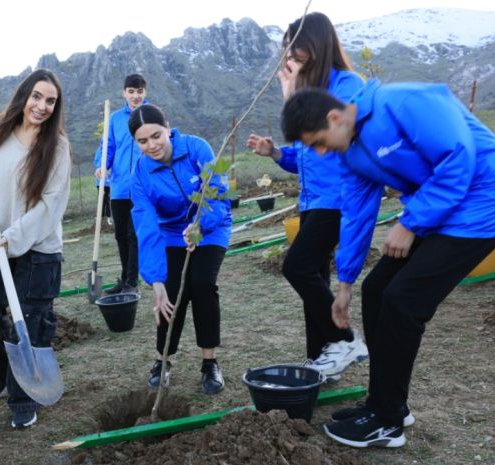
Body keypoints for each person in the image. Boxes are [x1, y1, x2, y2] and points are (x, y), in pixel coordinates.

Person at [281, 81, 495, 448]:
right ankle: (384, 402)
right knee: (377, 289)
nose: (319, 152)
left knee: (404, 299)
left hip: (481, 202)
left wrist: (410, 223)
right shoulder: (349, 152)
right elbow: (356, 213)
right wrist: (344, 285)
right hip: (441, 208)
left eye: (317, 141)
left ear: (335, 117)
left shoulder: (404, 101)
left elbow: (459, 157)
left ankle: (387, 421)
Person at [246, 12, 367, 381]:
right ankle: (322, 359)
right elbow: (308, 152)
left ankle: (346, 340)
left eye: (294, 50)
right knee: (314, 277)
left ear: (315, 46)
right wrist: (277, 154)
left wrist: (292, 98)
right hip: (314, 200)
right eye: (286, 50)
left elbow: (331, 141)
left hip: (339, 197)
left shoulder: (347, 85)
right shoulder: (307, 90)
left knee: (296, 267)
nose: (289, 58)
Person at [0, 69, 71, 429]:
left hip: (38, 249)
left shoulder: (56, 147)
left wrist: (13, 237)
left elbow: (52, 205)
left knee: (29, 325)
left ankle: (22, 399)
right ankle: (2, 370)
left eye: (50, 101)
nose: (42, 106)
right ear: (24, 96)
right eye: (37, 97)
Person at [129, 104, 232, 395]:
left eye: (156, 136)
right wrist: (156, 282)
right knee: (170, 294)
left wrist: (202, 225)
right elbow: (147, 227)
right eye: (143, 141)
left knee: (201, 284)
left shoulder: (196, 148)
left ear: (168, 127)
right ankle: (163, 360)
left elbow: (219, 196)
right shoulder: (141, 173)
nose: (151, 145)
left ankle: (209, 363)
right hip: (171, 233)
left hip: (211, 225)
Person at [93, 73, 148, 294]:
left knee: (134, 234)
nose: (136, 96)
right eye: (131, 91)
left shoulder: (151, 115)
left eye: (140, 91)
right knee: (120, 235)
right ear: (124, 93)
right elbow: (108, 146)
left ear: (146, 92)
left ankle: (132, 282)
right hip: (119, 186)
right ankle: (125, 277)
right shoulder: (115, 119)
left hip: (143, 186)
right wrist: (102, 164)